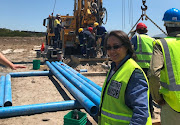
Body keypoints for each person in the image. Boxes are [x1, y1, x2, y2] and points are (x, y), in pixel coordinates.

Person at [98, 30, 152, 125]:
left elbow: (141, 113)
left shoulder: (134, 73)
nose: (112, 51)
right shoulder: (114, 69)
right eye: (108, 47)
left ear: (126, 47)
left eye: (116, 46)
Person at [149, 8, 180, 125]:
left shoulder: (161, 44)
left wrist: (156, 97)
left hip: (171, 103)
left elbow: (153, 74)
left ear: (166, 26)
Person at [131, 22, 155, 118]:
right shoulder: (152, 40)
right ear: (146, 30)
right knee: (149, 90)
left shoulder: (136, 38)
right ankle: (151, 111)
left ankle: (139, 112)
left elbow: (128, 47)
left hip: (139, 68)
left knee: (138, 91)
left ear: (137, 30)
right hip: (151, 68)